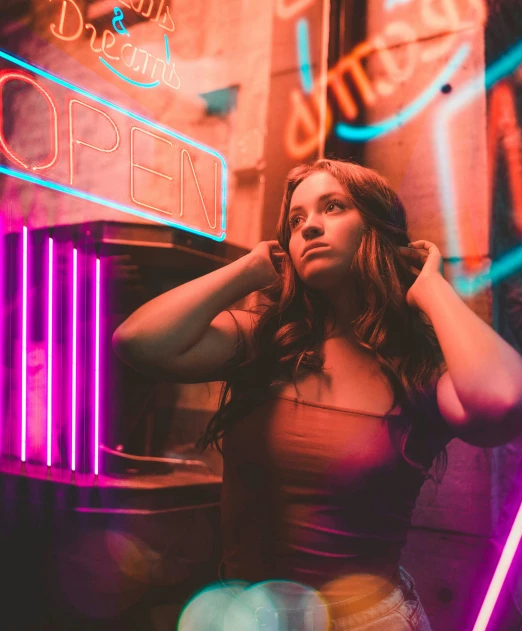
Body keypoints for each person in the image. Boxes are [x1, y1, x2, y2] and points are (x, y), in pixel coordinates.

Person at [112, 157, 522, 630]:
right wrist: (248, 269)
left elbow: (505, 400)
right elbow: (137, 342)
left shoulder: (419, 374)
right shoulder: (260, 343)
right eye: (296, 219)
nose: (309, 228)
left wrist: (430, 287)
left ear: (377, 230)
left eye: (333, 206)